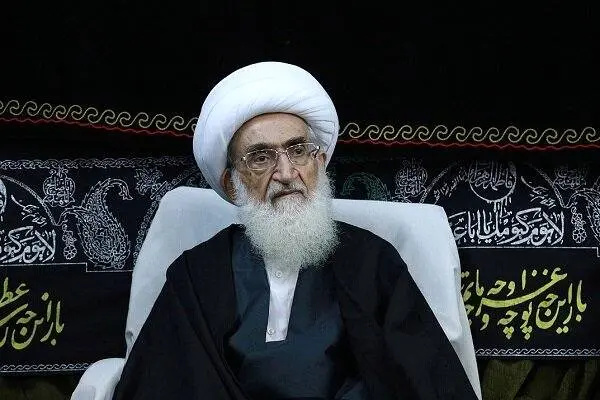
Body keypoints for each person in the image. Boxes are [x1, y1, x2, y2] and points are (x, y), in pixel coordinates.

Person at [112, 61, 477, 399]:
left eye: (298, 150)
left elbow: (425, 382)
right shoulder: (196, 275)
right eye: (261, 158)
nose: (286, 174)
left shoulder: (371, 261)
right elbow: (160, 383)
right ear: (231, 184)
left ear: (320, 161)